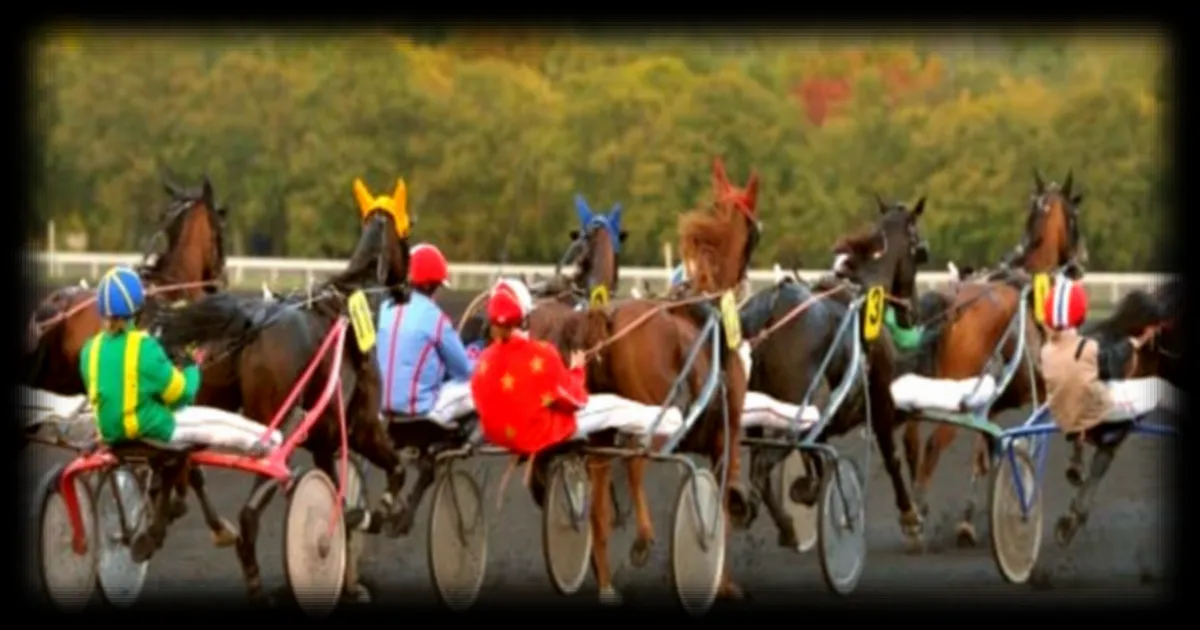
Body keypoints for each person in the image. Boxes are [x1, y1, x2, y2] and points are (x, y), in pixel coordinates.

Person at [470, 277, 687, 455]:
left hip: (498, 435)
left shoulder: (484, 359)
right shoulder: (541, 354)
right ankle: (672, 422)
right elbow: (576, 400)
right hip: (538, 434)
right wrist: (577, 369)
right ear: (526, 317)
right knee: (613, 406)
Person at [80, 266, 281, 455]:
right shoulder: (144, 347)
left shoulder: (90, 349)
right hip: (152, 429)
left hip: (111, 432)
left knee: (213, 419)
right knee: (218, 422)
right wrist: (193, 365)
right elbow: (182, 395)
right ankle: (273, 442)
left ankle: (267, 439)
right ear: (137, 308)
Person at [1039, 276, 1181, 480]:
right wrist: (1131, 344)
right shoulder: (1094, 347)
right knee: (1159, 389)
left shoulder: (1048, 350)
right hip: (1094, 407)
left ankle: (1080, 447)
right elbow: (1107, 368)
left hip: (1062, 406)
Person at [667, 264, 815, 431]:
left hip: (678, 397)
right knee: (772, 409)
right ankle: (814, 417)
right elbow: (736, 341)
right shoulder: (724, 305)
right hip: (713, 403)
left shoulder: (673, 315)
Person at [375, 243, 476, 426]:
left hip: (378, 410)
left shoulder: (382, 309)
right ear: (432, 285)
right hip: (420, 414)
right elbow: (463, 370)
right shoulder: (436, 318)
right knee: (475, 387)